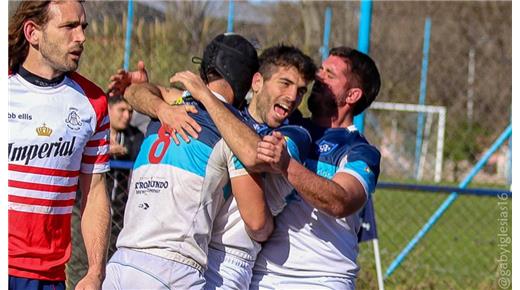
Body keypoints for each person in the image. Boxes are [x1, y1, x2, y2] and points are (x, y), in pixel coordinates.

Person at [102, 33, 273, 290]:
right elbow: (257, 216)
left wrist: (162, 108)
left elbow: (135, 91)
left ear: (204, 70)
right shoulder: (233, 131)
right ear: (249, 81)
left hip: (122, 260)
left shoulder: (172, 105)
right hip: (172, 268)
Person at [168, 45, 316, 290]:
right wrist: (157, 103)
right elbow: (156, 93)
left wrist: (205, 96)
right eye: (285, 83)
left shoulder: (297, 133)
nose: (293, 97)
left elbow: (255, 154)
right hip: (193, 249)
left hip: (233, 261)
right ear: (257, 82)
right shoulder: (231, 116)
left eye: (301, 91)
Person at [251, 47, 382, 289]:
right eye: (320, 70)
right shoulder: (287, 123)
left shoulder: (360, 151)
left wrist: (287, 165)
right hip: (264, 274)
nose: (318, 77)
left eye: (330, 75)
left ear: (352, 95)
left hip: (323, 277)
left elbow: (340, 201)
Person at [8, 1, 111, 290]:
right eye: (69, 26)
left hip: (47, 277)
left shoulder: (94, 103)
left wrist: (95, 273)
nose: (81, 37)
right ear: (33, 33)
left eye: (83, 27)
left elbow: (95, 191)